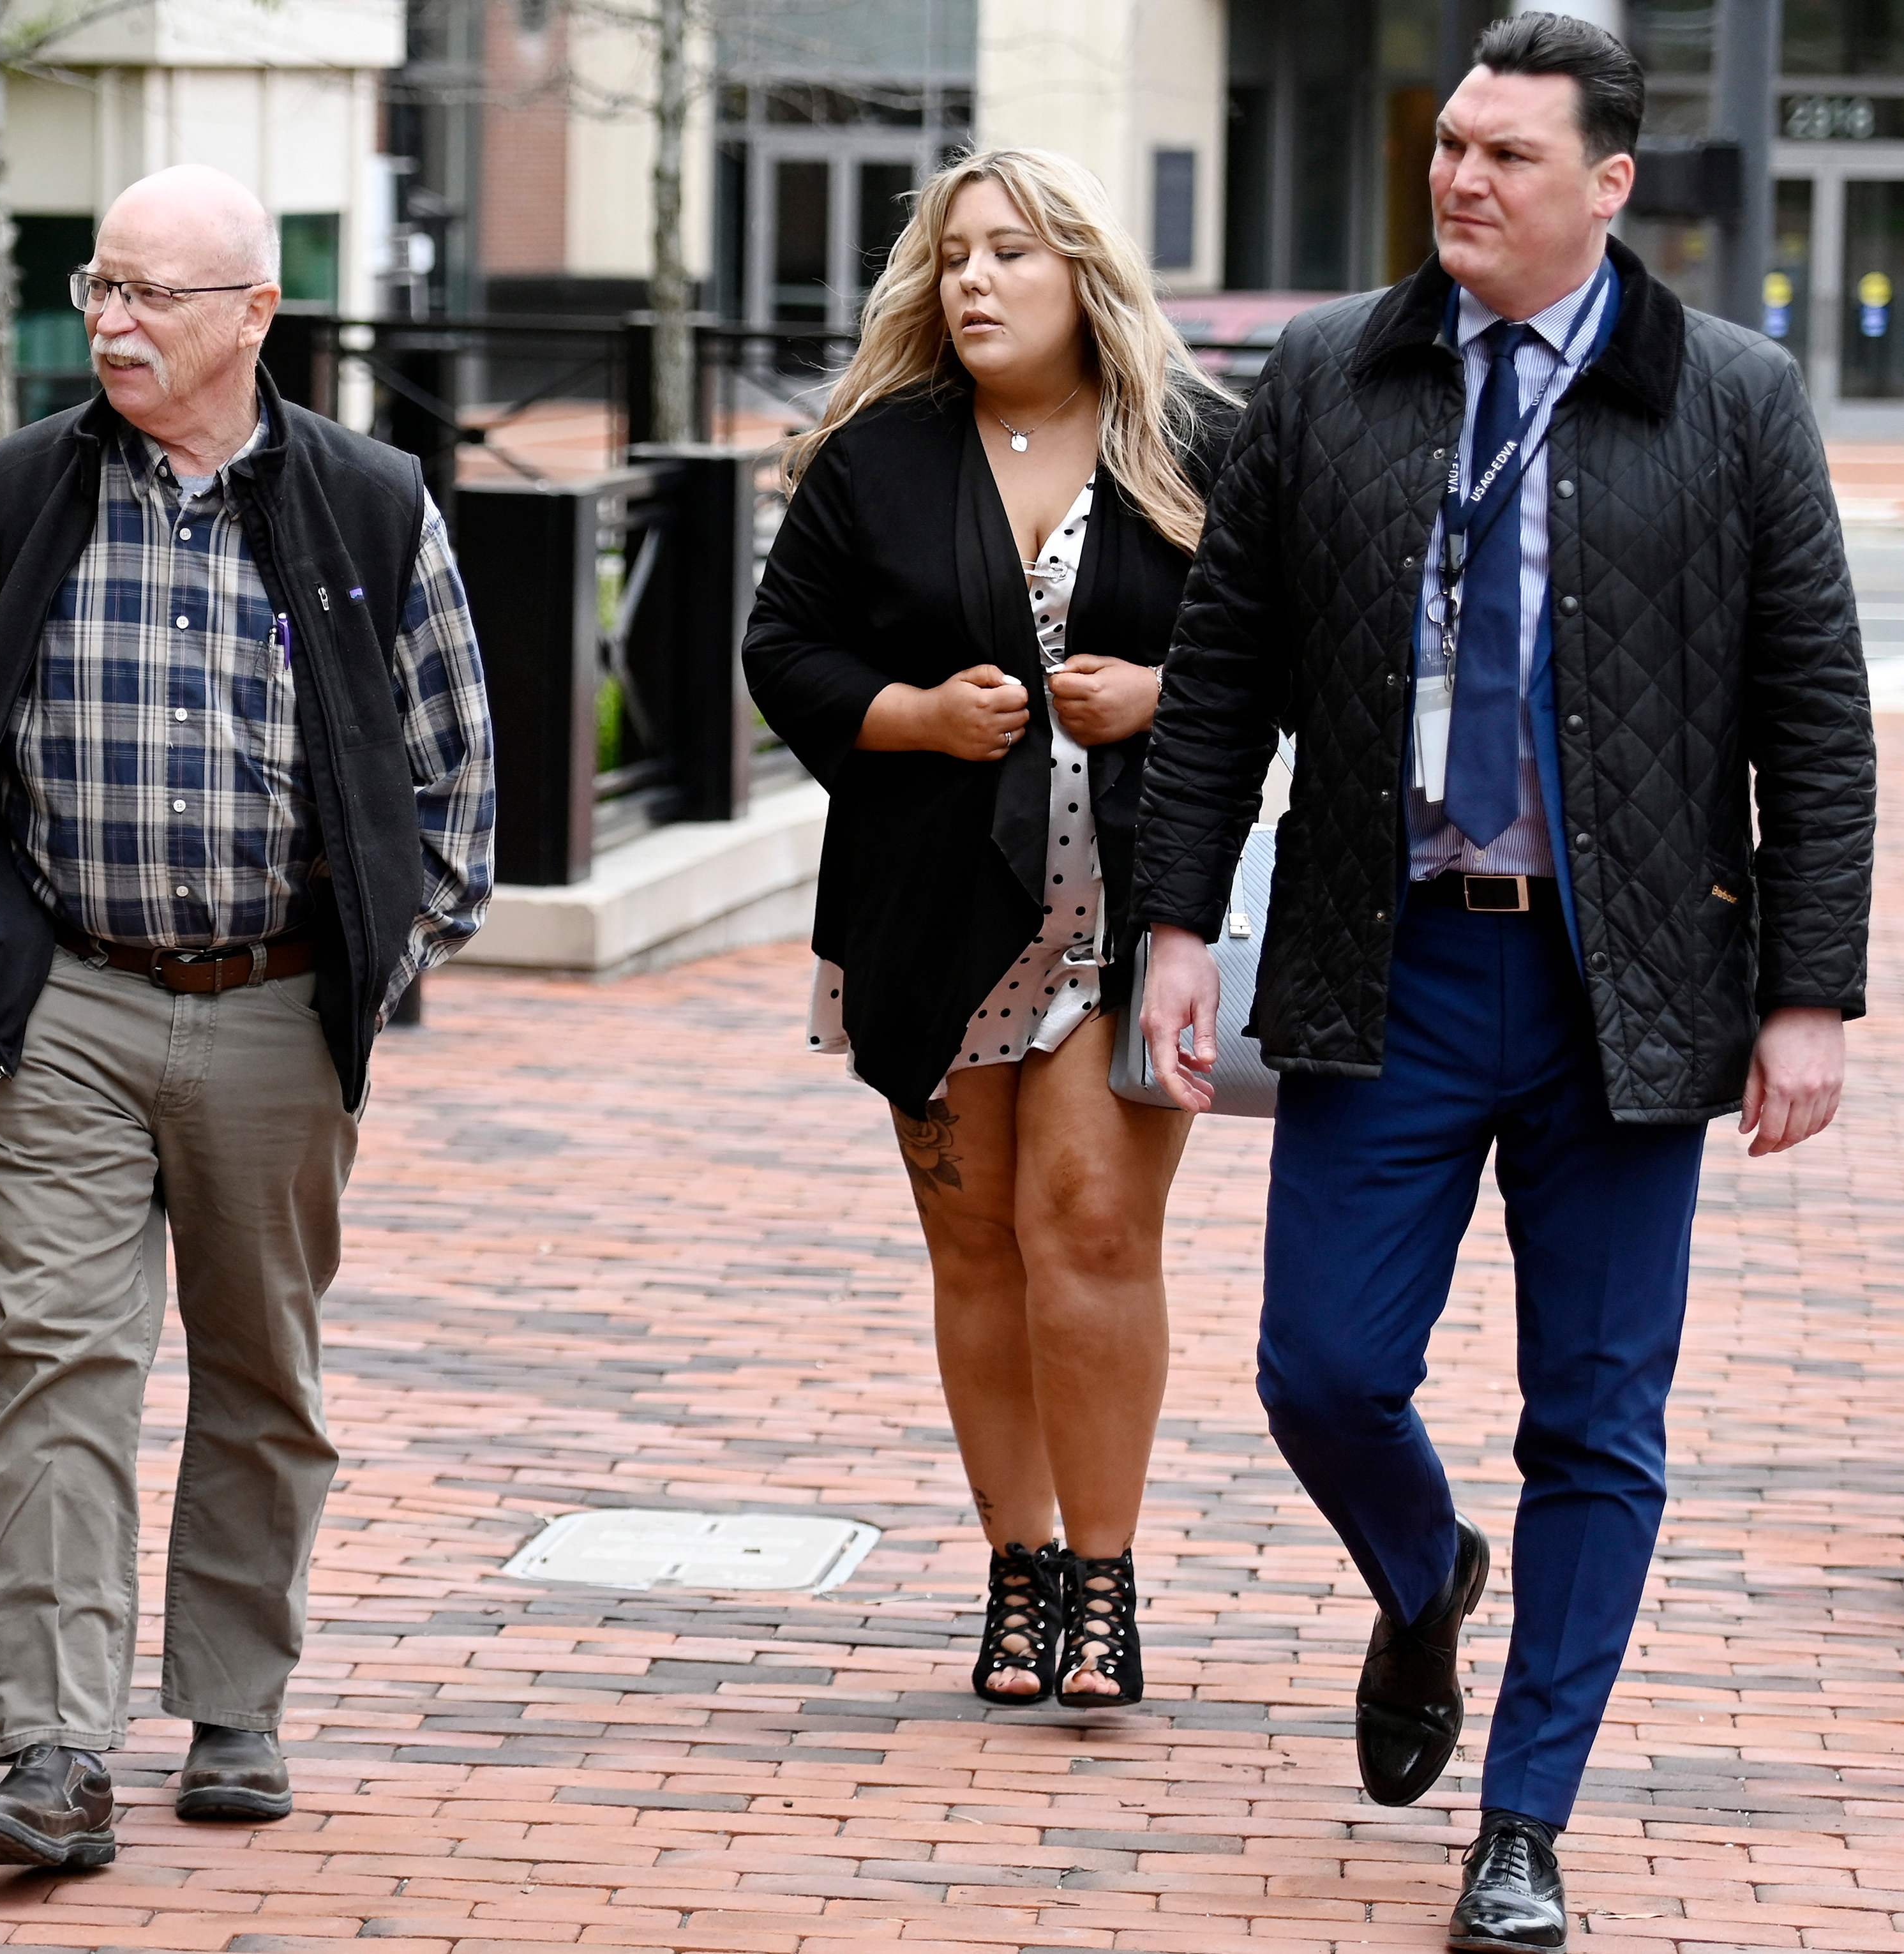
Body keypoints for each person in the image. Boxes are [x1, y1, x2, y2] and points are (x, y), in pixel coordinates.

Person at [1134, 17, 1871, 1950]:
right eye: (1450, 144)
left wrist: (1808, 991)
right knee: (1321, 1367)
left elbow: (1814, 715)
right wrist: (1173, 925)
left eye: (1506, 156)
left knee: (1596, 1417)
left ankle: (1522, 1818)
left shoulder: (1729, 398)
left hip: (1623, 986)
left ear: (1607, 187)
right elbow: (1220, 680)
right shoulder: (1322, 378)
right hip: (1390, 963)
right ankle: (1422, 1565)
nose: (1459, 177)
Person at [0, 163, 495, 1868]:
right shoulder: (16, 495)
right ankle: (51, 1750)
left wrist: (378, 962)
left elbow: (456, 774)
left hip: (278, 1002)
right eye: (99, 288)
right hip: (66, 996)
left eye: (152, 293)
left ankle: (232, 1705)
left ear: (253, 315)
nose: (115, 322)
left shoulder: (370, 507)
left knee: (258, 1365)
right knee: (53, 1361)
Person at [743, 148, 1238, 1711]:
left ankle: (1105, 1578)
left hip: (1133, 910)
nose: (972, 280)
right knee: (974, 1243)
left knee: (1088, 1226)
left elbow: (1295, 647)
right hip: (932, 912)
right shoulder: (878, 458)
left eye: (1011, 252)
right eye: (954, 254)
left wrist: (1165, 696)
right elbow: (781, 648)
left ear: (1082, 273)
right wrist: (911, 717)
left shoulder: (1196, 447)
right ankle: (1015, 1571)